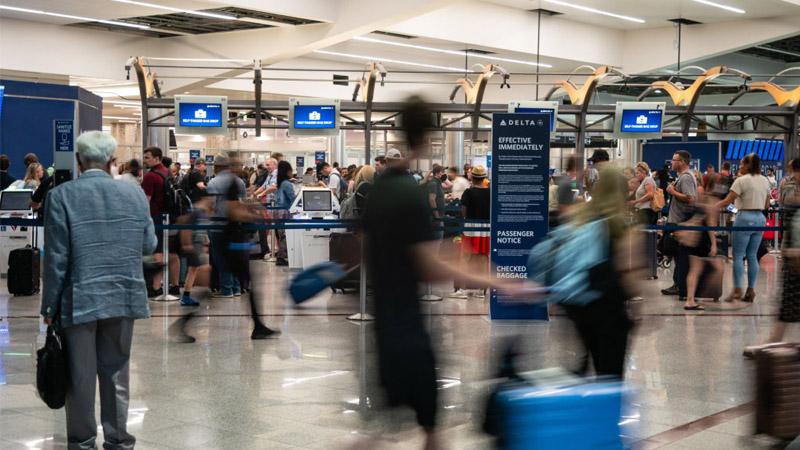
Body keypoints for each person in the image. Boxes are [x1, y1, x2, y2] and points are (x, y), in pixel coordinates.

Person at [361, 97, 527, 450]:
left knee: (388, 428)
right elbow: (430, 265)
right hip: (409, 327)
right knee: (430, 430)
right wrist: (497, 279)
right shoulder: (410, 192)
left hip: (385, 324)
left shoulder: (379, 189)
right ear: (428, 136)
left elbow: (366, 249)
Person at [41, 131, 157, 450]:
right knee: (117, 371)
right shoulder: (134, 194)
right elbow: (149, 244)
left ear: (78, 161)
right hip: (124, 295)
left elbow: (56, 259)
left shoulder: (62, 196)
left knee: (80, 377)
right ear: (112, 160)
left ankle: (83, 442)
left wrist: (49, 307)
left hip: (79, 299)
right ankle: (119, 440)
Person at [559, 167, 640, 379]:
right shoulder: (620, 224)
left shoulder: (580, 217)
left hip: (580, 304)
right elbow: (627, 270)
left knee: (593, 357)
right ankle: (605, 405)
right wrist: (641, 303)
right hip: (609, 306)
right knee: (610, 372)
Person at [209, 154, 279, 339]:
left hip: (227, 234)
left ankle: (257, 324)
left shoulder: (222, 182)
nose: (242, 165)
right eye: (239, 163)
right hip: (230, 236)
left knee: (238, 273)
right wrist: (251, 215)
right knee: (244, 276)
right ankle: (257, 324)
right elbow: (233, 210)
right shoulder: (234, 183)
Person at [744, 158, 800, 356]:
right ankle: (772, 342)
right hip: (792, 253)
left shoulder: (791, 185)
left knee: (790, 303)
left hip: (796, 254)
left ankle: (771, 343)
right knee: (788, 303)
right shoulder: (789, 185)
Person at [715, 153, 772, 302]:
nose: (739, 166)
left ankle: (737, 290)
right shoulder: (765, 180)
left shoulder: (741, 180)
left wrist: (713, 206)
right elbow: (766, 205)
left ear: (748, 165)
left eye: (741, 164)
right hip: (760, 218)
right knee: (752, 255)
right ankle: (751, 290)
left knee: (738, 255)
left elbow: (728, 201)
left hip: (744, 218)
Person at [141, 146, 179, 297]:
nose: (145, 160)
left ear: (157, 158)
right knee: (172, 252)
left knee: (158, 251)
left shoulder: (150, 176)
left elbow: (145, 201)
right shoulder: (167, 171)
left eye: (147, 157)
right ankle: (175, 285)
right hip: (170, 217)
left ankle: (156, 287)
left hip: (156, 218)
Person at [661, 150, 698, 301]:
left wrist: (672, 192)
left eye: (674, 159)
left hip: (680, 222)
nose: (672, 162)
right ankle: (678, 284)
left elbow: (691, 199)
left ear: (682, 162)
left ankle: (680, 285)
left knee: (679, 255)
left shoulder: (687, 178)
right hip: (676, 220)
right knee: (676, 254)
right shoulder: (682, 177)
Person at [206, 156, 245, 299]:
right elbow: (242, 203)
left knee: (221, 258)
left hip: (217, 226)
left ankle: (227, 289)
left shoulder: (213, 182)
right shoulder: (239, 182)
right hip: (236, 226)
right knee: (234, 257)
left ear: (216, 167)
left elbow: (211, 205)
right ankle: (237, 288)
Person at [451, 165, 491, 299]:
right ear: (484, 178)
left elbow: (463, 211)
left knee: (465, 257)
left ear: (472, 178)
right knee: (484, 258)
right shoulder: (491, 192)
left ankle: (461, 289)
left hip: (470, 227)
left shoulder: (468, 192)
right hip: (486, 229)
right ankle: (482, 290)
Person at [682, 182, 722, 311]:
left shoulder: (700, 199)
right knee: (719, 267)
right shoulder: (713, 202)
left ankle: (690, 300)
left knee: (694, 270)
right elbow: (711, 225)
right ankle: (706, 293)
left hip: (694, 238)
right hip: (703, 239)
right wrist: (714, 244)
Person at [178, 192, 213, 307]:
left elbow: (201, 228)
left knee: (194, 269)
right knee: (193, 269)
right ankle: (186, 296)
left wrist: (205, 241)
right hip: (192, 244)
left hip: (197, 244)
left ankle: (187, 295)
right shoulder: (196, 211)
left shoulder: (203, 212)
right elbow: (187, 229)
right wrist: (187, 244)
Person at [274, 160, 296, 266]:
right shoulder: (287, 184)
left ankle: (281, 254)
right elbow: (293, 199)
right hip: (285, 212)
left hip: (278, 211)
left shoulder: (280, 183)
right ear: (287, 171)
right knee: (285, 235)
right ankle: (281, 257)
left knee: (281, 235)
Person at [426, 164, 446, 240]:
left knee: (438, 240)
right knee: (437, 240)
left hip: (439, 215)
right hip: (435, 217)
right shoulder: (434, 183)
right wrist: (437, 216)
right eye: (442, 172)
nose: (444, 173)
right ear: (437, 173)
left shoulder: (438, 183)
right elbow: (431, 199)